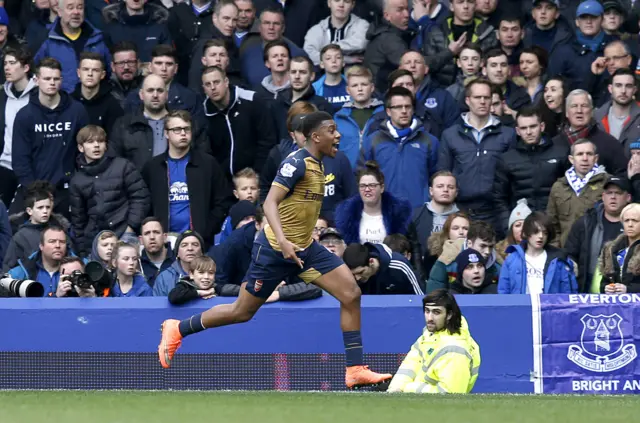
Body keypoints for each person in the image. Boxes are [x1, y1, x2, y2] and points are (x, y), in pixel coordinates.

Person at [157, 111, 393, 389]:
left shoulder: (320, 164)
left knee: (351, 293)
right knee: (241, 312)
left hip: (305, 248)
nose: (338, 135)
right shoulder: (296, 163)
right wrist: (282, 241)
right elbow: (269, 203)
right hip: (273, 250)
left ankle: (354, 368)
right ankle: (178, 328)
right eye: (332, 130)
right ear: (316, 137)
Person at [11, 57, 89, 216]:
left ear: (61, 80)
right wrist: (35, 192)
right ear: (36, 80)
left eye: (56, 79)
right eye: (47, 78)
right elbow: (20, 160)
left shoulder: (77, 111)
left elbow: (86, 148)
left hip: (69, 188)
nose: (52, 83)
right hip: (35, 190)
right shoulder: (25, 116)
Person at [142, 110, 231, 248]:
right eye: (177, 129)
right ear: (166, 133)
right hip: (164, 242)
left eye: (186, 129)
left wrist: (206, 230)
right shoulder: (153, 167)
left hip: (199, 241)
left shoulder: (207, 164)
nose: (183, 133)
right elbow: (144, 204)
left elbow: (223, 200)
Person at [437, 79, 515, 223]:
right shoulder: (450, 135)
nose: (482, 101)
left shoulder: (507, 134)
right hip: (460, 211)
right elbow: (443, 173)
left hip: (496, 211)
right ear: (467, 100)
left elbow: (513, 176)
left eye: (486, 97)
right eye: (477, 97)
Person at [69, 125, 149, 255]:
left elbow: (141, 197)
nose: (96, 146)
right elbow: (78, 220)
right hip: (95, 240)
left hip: (125, 233)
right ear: (80, 148)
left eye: (100, 141)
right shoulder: (77, 180)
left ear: (105, 145)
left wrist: (130, 227)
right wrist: (83, 250)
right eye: (90, 142)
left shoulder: (123, 166)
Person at [387, 289, 480, 393]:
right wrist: (395, 389)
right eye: (427, 311)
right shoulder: (428, 335)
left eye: (436, 312)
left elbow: (451, 394)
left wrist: (407, 388)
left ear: (449, 315)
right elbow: (410, 364)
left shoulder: (455, 349)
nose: (430, 318)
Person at [109, 74, 209, 170]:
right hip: (137, 184)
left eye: (160, 91)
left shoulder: (186, 123)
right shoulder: (124, 125)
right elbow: (115, 163)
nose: (155, 95)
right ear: (141, 95)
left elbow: (203, 158)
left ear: (167, 95)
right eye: (150, 90)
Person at [360, 86, 439, 208]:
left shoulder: (429, 141)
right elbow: (362, 176)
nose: (404, 111)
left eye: (408, 106)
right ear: (388, 111)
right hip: (384, 211)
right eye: (398, 107)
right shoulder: (373, 141)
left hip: (420, 212)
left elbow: (437, 178)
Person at [493, 107, 569, 233]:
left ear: (542, 126)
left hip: (554, 226)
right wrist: (509, 227)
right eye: (523, 128)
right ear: (517, 130)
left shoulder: (561, 153)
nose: (528, 132)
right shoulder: (507, 159)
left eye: (533, 126)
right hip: (521, 227)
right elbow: (499, 199)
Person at [201, 65, 276, 177]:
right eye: (208, 84)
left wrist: (257, 173)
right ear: (204, 89)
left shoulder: (252, 101)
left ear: (226, 82)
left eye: (216, 82)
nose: (213, 87)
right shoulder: (204, 112)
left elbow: (267, 140)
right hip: (223, 182)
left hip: (255, 179)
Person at [566, 176, 631, 293]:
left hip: (628, 293)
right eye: (609, 193)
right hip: (590, 291)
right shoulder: (586, 223)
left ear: (628, 197)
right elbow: (570, 253)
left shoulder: (636, 224)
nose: (613, 197)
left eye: (618, 193)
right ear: (603, 197)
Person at [35, 0, 110, 93]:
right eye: (70, 8)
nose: (76, 12)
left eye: (80, 7)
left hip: (95, 101)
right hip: (60, 103)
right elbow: (35, 73)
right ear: (59, 11)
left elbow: (109, 73)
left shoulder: (99, 38)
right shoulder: (45, 39)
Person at [547, 139, 609, 246]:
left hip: (596, 250)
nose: (585, 158)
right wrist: (557, 249)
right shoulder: (559, 186)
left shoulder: (607, 183)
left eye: (589, 154)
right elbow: (552, 223)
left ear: (596, 158)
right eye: (580, 154)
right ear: (571, 159)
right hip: (566, 250)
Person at [552, 89, 627, 177]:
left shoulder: (610, 143)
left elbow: (622, 176)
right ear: (567, 113)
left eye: (584, 106)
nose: (579, 110)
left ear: (591, 111)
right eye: (574, 106)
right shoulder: (554, 144)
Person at [422, 0, 498, 87]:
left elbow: (493, 65)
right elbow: (426, 66)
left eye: (470, 2)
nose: (466, 6)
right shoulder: (436, 32)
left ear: (475, 5)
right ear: (451, 6)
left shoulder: (487, 33)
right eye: (460, 2)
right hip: (442, 90)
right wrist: (449, 52)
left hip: (480, 89)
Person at [499, 212, 578, 294]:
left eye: (545, 233)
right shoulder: (512, 260)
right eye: (536, 232)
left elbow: (568, 294)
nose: (541, 236)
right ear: (525, 233)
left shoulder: (560, 260)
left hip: (551, 306)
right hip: (521, 306)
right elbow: (503, 293)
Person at [335, 161, 412, 245]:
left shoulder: (399, 213)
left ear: (382, 187)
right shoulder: (346, 215)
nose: (367, 189)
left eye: (372, 185)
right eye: (363, 186)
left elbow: (413, 244)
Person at [0, 46, 37, 207]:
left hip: (31, 167)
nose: (7, 67)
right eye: (5, 63)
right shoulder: (2, 96)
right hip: (5, 165)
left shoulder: (39, 96)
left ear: (26, 67)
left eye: (12, 63)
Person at [3, 182, 69, 272]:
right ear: (29, 211)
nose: (45, 211)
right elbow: (9, 267)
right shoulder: (20, 236)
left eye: (48, 207)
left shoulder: (60, 231)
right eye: (40, 208)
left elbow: (72, 257)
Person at [125, 45, 201, 118]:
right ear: (150, 67)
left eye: (169, 64)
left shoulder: (190, 98)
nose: (164, 68)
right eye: (158, 63)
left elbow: (196, 128)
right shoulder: (134, 97)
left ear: (175, 68)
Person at [408, 171, 459, 279]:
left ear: (456, 192)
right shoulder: (415, 216)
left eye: (450, 187)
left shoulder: (464, 219)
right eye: (440, 186)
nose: (445, 190)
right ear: (431, 191)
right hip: (422, 275)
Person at [272, 56, 335, 141]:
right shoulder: (277, 102)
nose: (297, 76)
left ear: (312, 76)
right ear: (288, 74)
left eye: (302, 72)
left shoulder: (322, 106)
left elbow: (328, 139)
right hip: (281, 153)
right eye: (293, 72)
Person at [427, 220, 501, 293]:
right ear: (469, 243)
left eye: (491, 247)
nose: (487, 252)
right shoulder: (448, 260)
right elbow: (434, 292)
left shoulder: (498, 267)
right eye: (483, 246)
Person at [334, 65, 384, 168]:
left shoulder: (384, 114)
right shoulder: (339, 118)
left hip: (378, 174)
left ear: (372, 87)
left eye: (364, 84)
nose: (360, 89)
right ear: (348, 90)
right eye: (355, 85)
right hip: (347, 175)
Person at [399, 49, 460, 129]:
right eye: (408, 63)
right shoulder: (390, 97)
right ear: (400, 69)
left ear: (426, 69)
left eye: (417, 62)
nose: (412, 65)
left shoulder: (443, 97)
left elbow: (453, 131)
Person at [101, 0, 171, 65]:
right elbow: (106, 59)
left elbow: (168, 58)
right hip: (119, 76)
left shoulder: (160, 25)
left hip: (153, 76)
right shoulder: (111, 26)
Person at [363, 0, 412, 92]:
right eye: (400, 10)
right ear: (387, 16)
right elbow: (415, 66)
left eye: (407, 9)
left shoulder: (387, 33)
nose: (407, 14)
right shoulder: (389, 38)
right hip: (383, 95)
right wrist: (448, 52)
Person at [303, 0, 369, 67]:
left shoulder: (362, 25)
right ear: (329, 3)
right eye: (336, 0)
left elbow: (361, 43)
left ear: (352, 5)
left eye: (347, 1)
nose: (341, 5)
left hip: (353, 75)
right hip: (324, 76)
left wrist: (325, 51)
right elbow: (308, 54)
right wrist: (344, 59)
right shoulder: (316, 30)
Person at [7, 224, 67, 297]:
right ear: (41, 246)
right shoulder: (20, 273)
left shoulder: (76, 268)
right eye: (52, 241)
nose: (58, 245)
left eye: (62, 242)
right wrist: (56, 297)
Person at [72, 52, 123, 136]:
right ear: (78, 73)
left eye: (95, 70)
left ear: (102, 75)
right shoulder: (68, 103)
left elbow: (116, 141)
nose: (90, 74)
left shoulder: (113, 105)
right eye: (85, 69)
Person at [343, 241, 424, 295]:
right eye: (353, 274)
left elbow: (420, 297)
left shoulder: (399, 266)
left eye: (361, 272)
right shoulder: (349, 276)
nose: (357, 278)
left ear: (371, 262)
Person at [594, 68, 640, 154]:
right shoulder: (596, 117)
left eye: (628, 86)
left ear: (634, 90)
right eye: (618, 85)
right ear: (610, 89)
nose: (623, 91)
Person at [598, 202, 640, 294]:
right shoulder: (611, 249)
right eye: (626, 220)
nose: (630, 224)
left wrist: (629, 290)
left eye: (635, 220)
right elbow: (604, 281)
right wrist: (606, 288)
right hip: (616, 306)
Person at [481, 49, 530, 114]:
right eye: (494, 65)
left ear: (509, 70)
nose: (499, 69)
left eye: (503, 65)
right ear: (484, 70)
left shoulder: (521, 96)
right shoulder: (472, 93)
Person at [138, 217, 174, 287]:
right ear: (141, 240)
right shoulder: (136, 264)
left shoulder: (177, 260)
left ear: (165, 237)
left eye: (156, 232)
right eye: (147, 233)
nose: (152, 237)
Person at [495, 199, 532, 263]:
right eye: (518, 225)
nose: (522, 229)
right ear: (511, 229)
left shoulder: (540, 250)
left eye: (526, 225)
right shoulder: (499, 252)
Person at [312, 45, 349, 109]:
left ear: (343, 62)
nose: (334, 61)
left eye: (338, 57)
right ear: (322, 64)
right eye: (328, 58)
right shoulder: (314, 89)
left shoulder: (353, 85)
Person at [108, 41, 142, 109]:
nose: (126, 67)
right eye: (121, 63)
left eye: (130, 62)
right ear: (113, 66)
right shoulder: (106, 90)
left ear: (138, 64)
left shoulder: (148, 87)